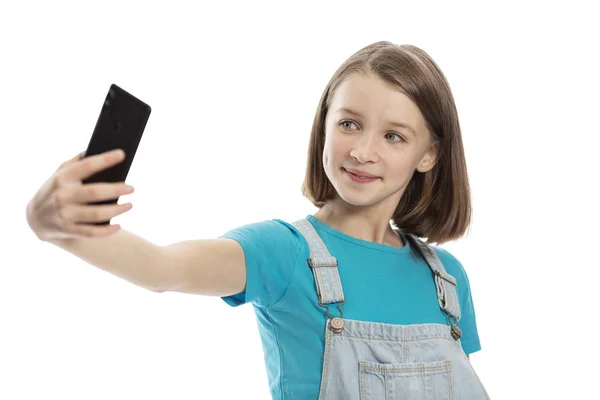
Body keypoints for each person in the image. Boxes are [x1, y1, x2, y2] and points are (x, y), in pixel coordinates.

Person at [25, 41, 489, 399]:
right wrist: (53, 225)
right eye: (349, 123)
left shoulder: (446, 280)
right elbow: (164, 268)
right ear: (324, 124)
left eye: (393, 135)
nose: (363, 151)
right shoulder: (285, 253)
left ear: (428, 154)